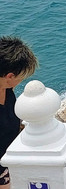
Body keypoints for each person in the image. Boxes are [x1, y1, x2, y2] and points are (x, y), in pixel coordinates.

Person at [0, 36, 38, 189]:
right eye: (22, 77)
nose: (22, 81)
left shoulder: (7, 88)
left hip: (12, 157)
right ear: (10, 76)